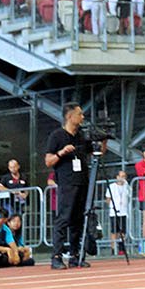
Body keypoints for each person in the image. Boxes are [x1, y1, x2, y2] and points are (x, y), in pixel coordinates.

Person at [45, 105, 94, 269]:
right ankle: (56, 256)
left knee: (78, 220)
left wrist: (104, 140)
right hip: (67, 183)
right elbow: (48, 161)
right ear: (69, 116)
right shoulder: (57, 136)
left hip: (82, 182)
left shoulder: (81, 136)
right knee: (63, 218)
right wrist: (61, 153)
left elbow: (95, 153)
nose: (82, 117)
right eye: (79, 114)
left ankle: (75, 255)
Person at [104, 169, 132, 260]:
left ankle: (121, 247)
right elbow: (107, 199)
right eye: (121, 176)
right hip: (114, 211)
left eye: (124, 176)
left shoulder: (127, 186)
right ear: (117, 177)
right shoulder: (111, 186)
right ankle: (113, 248)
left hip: (124, 211)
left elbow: (129, 196)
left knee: (122, 231)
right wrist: (112, 206)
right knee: (114, 231)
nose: (122, 178)